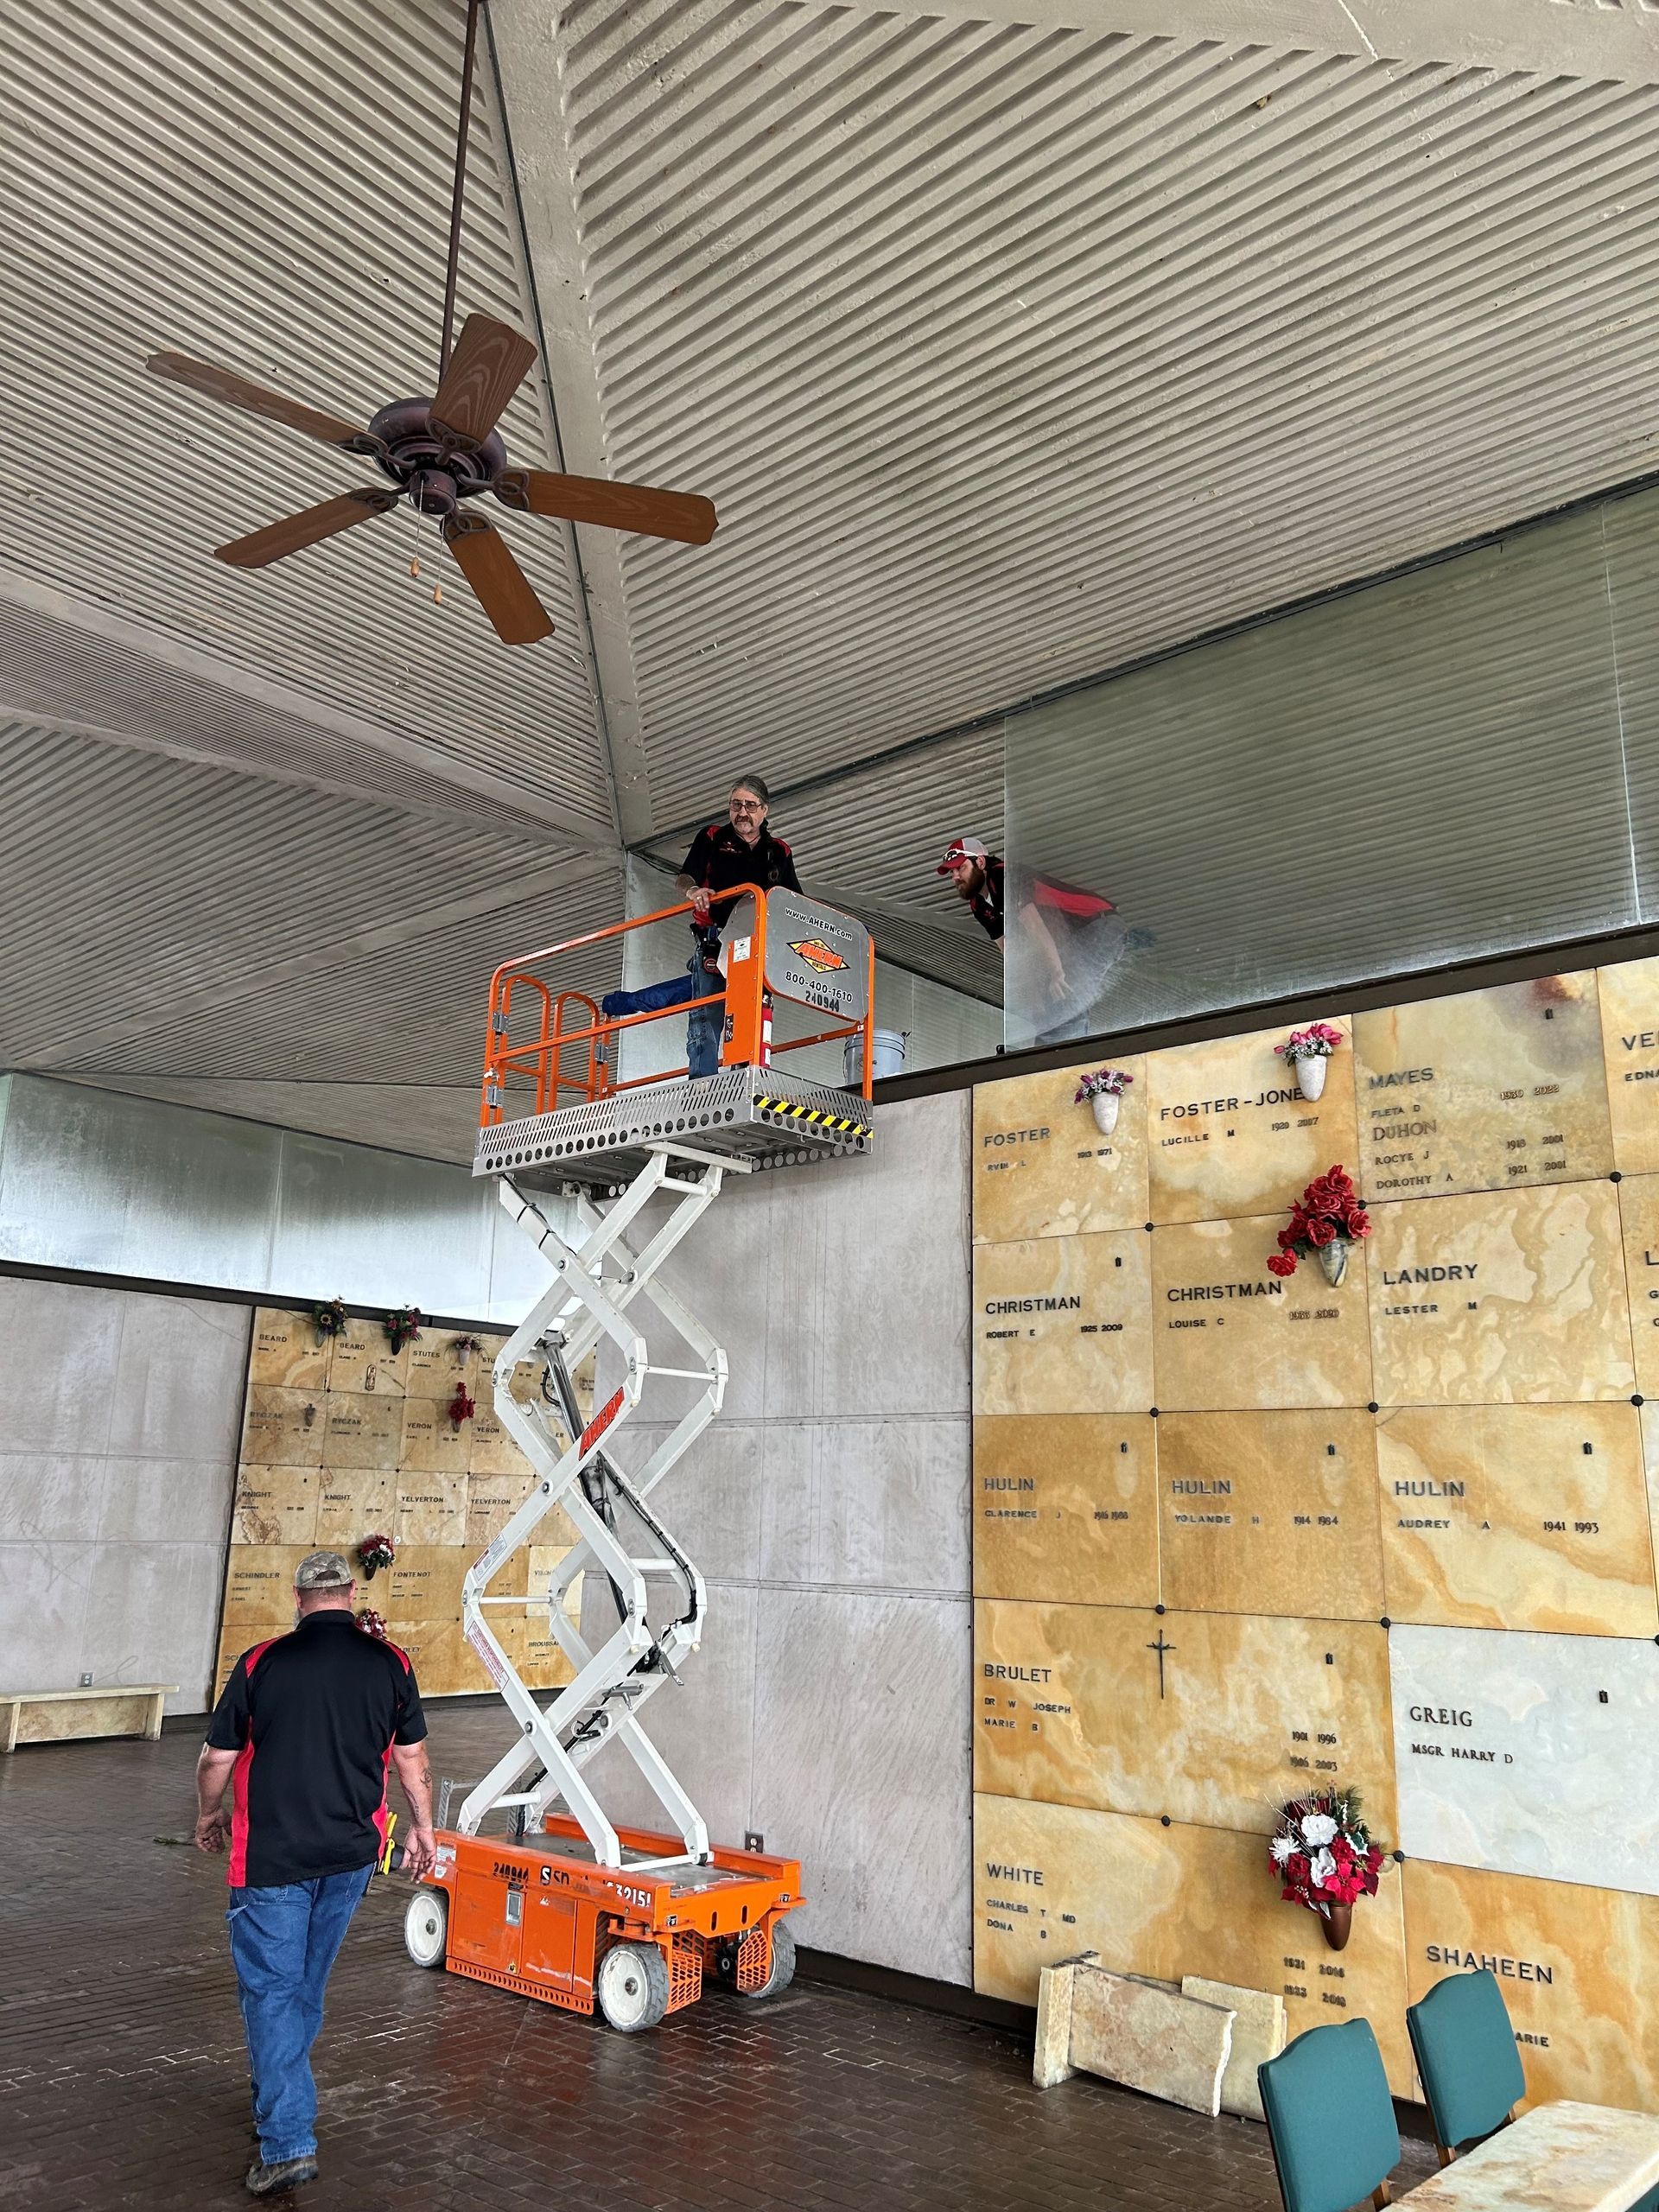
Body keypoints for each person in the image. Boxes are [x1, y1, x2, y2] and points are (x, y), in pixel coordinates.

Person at [194, 1550, 435, 2197]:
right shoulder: (391, 1663)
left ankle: (286, 2143)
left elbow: (217, 1758)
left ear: (299, 1598)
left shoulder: (261, 1662)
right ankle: (276, 2099)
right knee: (301, 1988)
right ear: (350, 1593)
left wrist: (208, 1814)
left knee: (272, 1991)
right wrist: (424, 1827)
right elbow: (412, 1759)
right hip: (351, 1857)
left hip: (270, 1859)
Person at [936, 835, 1142, 1046]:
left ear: (980, 862)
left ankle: (1066, 1056)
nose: (955, 877)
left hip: (1099, 925)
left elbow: (1034, 925)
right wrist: (1034, 996)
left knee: (1065, 991)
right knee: (1052, 1003)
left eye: (961, 868)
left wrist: (1057, 972)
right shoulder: (978, 905)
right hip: (1071, 941)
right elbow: (1011, 951)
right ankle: (1050, 1056)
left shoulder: (1003, 875)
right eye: (952, 872)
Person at [673, 775, 801, 1077]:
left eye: (750, 806)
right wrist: (694, 892)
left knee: (752, 1015)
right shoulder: (713, 837)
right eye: (736, 805)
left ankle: (748, 1076)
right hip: (715, 941)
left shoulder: (779, 851)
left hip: (757, 947)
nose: (742, 812)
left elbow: (794, 901)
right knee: (707, 1017)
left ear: (764, 810)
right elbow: (685, 878)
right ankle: (702, 1084)